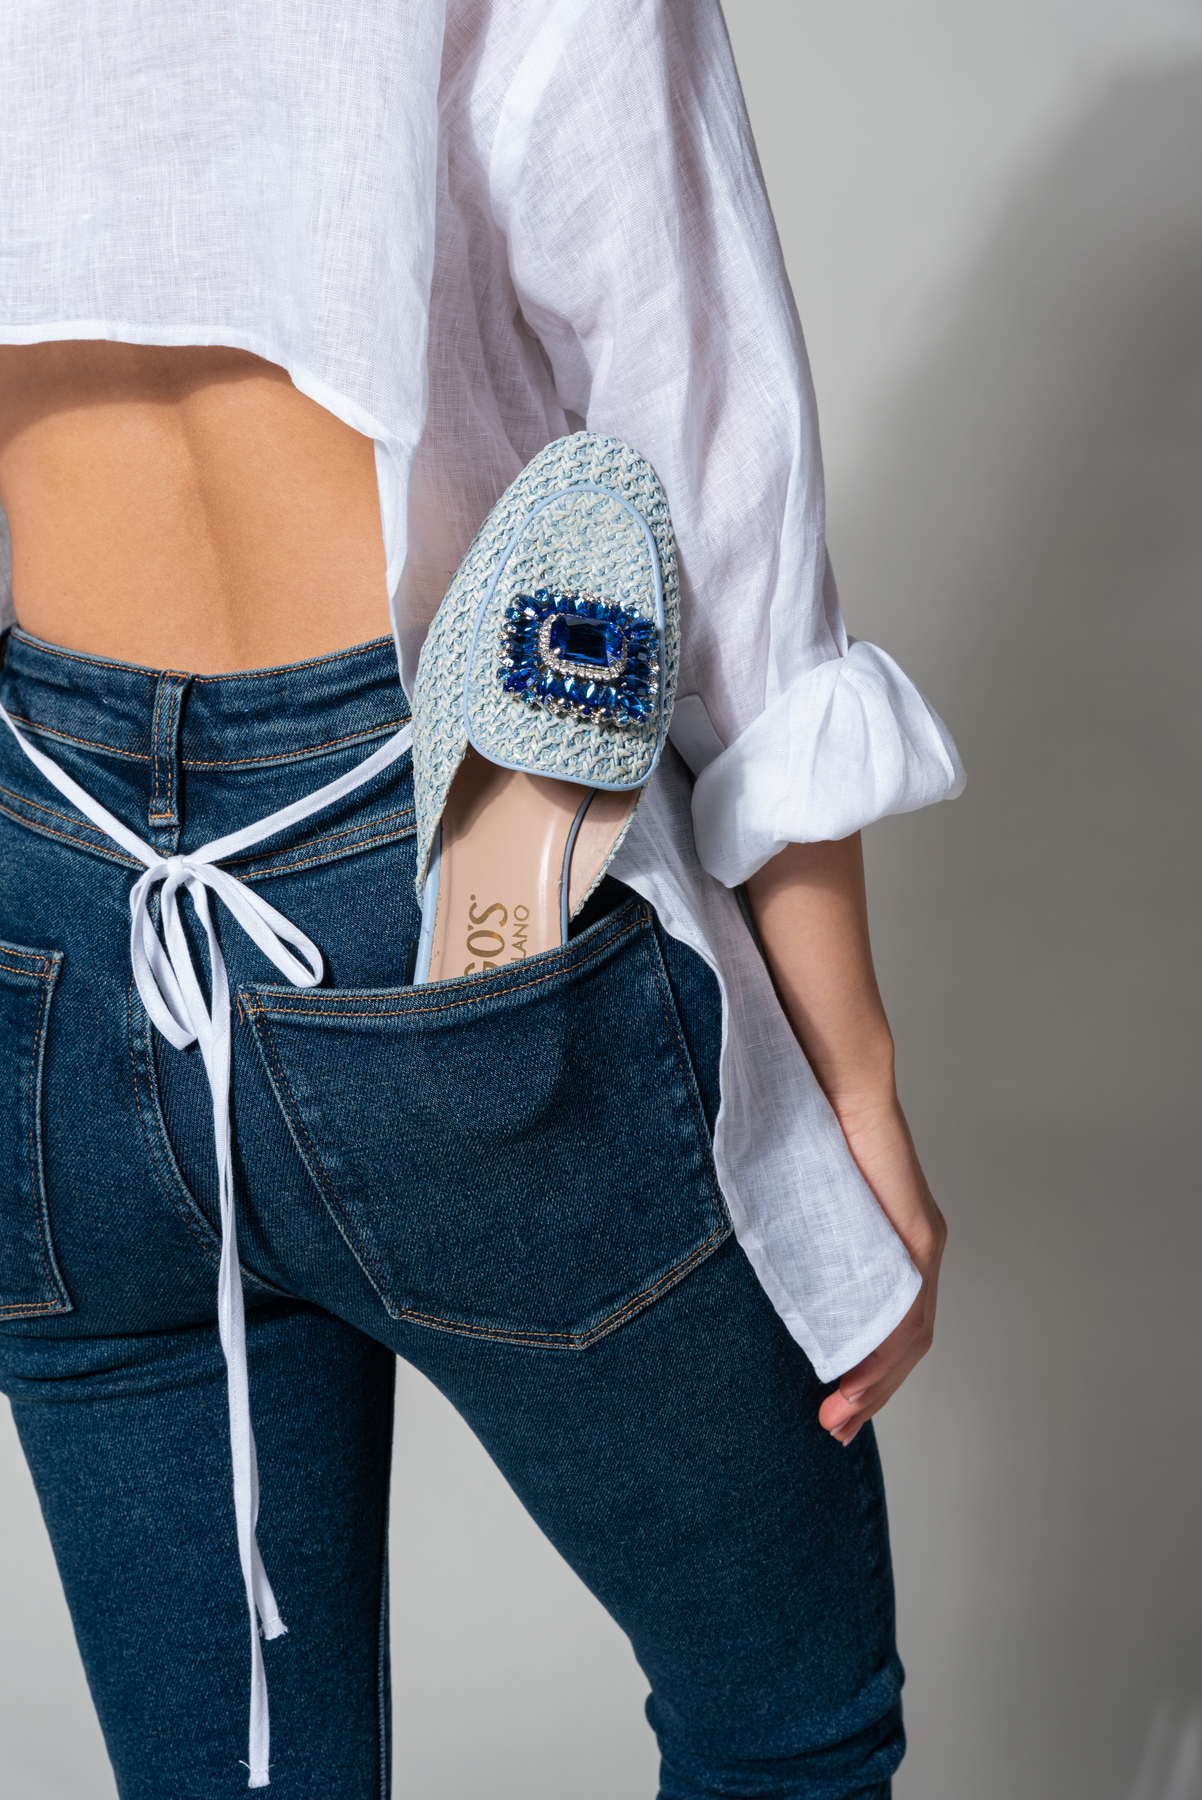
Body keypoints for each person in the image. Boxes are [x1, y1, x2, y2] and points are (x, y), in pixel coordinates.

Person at [0, 2, 961, 1796]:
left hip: (46, 903)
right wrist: (851, 1082)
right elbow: (702, 440)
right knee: (787, 1729)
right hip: (430, 847)